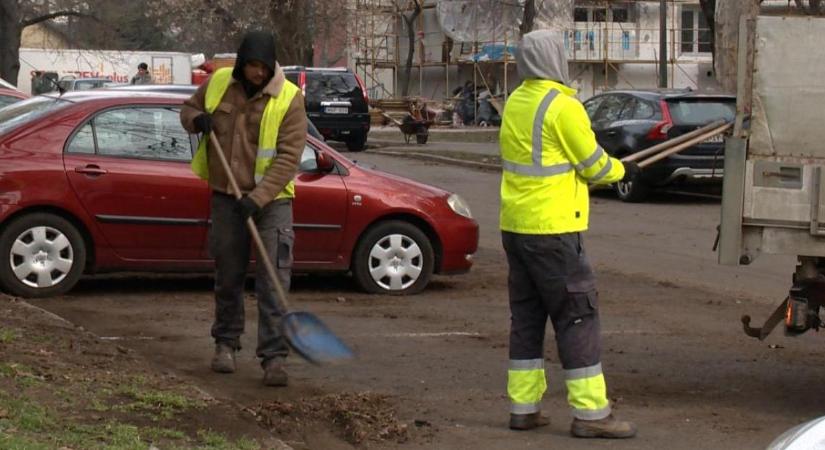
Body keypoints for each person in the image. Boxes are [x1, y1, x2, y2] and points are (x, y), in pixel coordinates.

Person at [498, 29, 639, 438]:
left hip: (516, 228)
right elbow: (593, 165)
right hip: (554, 232)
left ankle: (524, 409)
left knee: (526, 319)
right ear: (555, 59)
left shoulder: (515, 103)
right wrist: (623, 170)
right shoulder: (563, 106)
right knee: (578, 317)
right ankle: (592, 415)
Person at [180, 31, 307, 387]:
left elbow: (287, 159)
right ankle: (225, 344)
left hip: (273, 202)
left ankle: (274, 358)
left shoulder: (289, 99)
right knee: (229, 275)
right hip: (226, 197)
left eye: (264, 67)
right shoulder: (219, 82)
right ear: (241, 64)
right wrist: (197, 121)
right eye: (252, 65)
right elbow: (188, 109)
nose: (258, 73)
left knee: (272, 278)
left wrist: (258, 198)